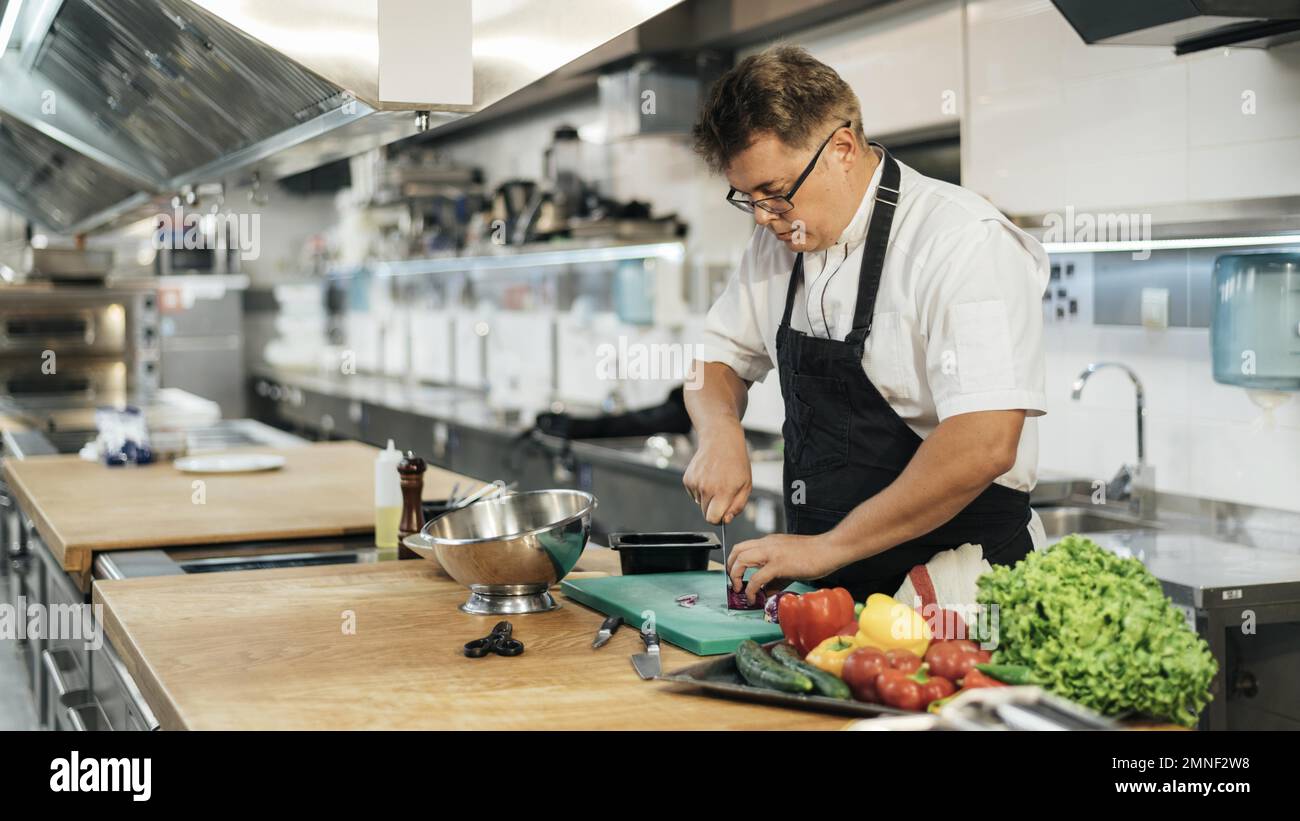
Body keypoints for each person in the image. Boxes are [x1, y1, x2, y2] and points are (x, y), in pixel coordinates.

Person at [683, 46, 1049, 603]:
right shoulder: (776, 243)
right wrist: (719, 431)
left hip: (960, 590)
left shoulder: (961, 241)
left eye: (775, 192)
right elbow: (718, 358)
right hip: (834, 594)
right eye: (748, 197)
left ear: (843, 149)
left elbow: (985, 442)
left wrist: (826, 547)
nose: (762, 217)